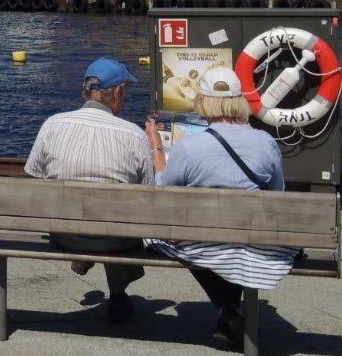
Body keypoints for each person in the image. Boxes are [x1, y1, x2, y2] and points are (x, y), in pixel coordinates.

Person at [144, 68, 298, 349]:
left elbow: (163, 193)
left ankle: (227, 307)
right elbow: (278, 194)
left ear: (203, 101)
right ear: (238, 100)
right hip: (254, 238)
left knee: (176, 240)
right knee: (234, 243)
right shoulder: (266, 143)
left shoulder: (188, 147)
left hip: (204, 242)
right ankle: (229, 309)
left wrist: (156, 147)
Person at [25, 58, 153, 323]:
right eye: (126, 91)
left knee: (107, 216)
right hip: (115, 239)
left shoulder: (53, 124)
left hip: (64, 234)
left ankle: (86, 259)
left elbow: (34, 177)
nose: (127, 97)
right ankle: (117, 295)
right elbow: (147, 192)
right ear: (117, 92)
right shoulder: (134, 135)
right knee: (120, 219)